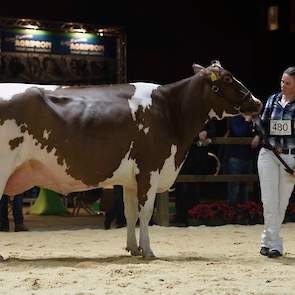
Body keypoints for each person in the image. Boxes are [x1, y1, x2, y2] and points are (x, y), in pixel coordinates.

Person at [258, 66, 295, 258]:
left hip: (290, 158)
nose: (283, 85)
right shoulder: (272, 100)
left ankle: (267, 240)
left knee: (281, 203)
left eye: (288, 83)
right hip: (269, 154)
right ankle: (275, 245)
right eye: (282, 81)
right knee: (269, 200)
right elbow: (263, 125)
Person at [173, 121, 216, 226]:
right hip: (184, 156)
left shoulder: (206, 116)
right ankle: (181, 216)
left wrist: (206, 134)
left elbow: (213, 130)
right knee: (181, 186)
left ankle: (194, 214)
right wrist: (198, 137)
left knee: (194, 187)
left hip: (199, 158)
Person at [226, 114, 260, 208]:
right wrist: (246, 121)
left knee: (245, 188)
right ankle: (231, 212)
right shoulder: (235, 118)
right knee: (234, 188)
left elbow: (260, 129)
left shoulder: (254, 118)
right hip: (236, 157)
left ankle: (244, 212)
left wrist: (258, 136)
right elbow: (240, 132)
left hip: (249, 157)